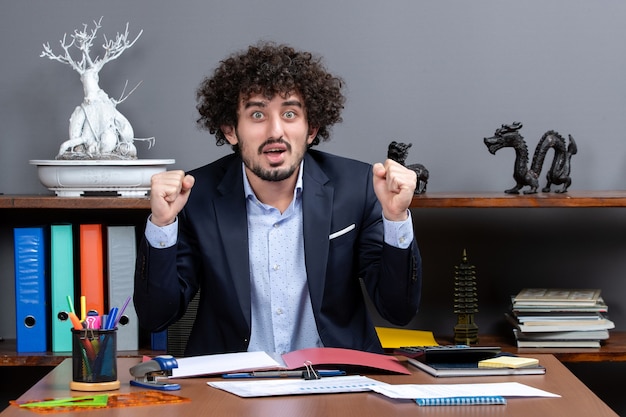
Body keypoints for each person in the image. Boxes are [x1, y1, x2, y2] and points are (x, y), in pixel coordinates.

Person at [133, 42, 422, 356]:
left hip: (338, 381)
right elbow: (156, 316)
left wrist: (396, 220)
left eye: (290, 113)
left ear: (311, 129)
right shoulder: (195, 196)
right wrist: (162, 224)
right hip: (229, 384)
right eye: (257, 114)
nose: (276, 131)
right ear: (231, 130)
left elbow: (398, 311)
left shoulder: (358, 187)